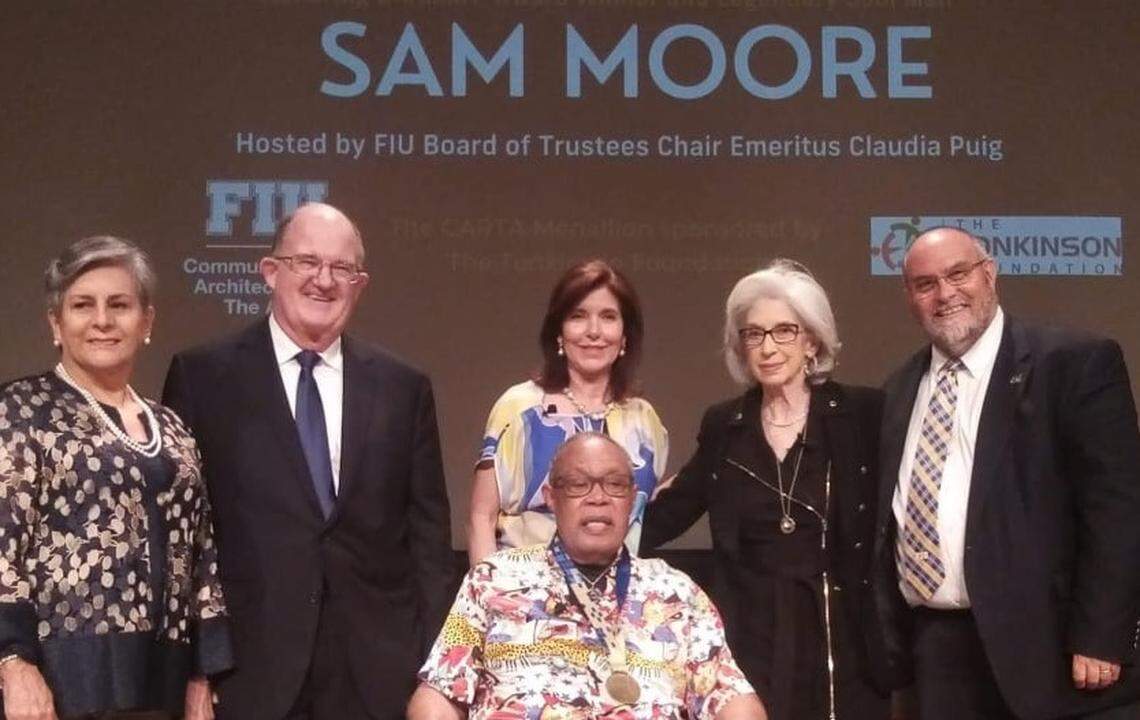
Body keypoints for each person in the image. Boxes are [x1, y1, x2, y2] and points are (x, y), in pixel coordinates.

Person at [162, 202, 454, 720]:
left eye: (341, 268)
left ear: (360, 284)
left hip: (376, 676)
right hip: (249, 673)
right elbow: (181, 539)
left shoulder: (403, 387)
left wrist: (436, 676)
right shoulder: (203, 377)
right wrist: (194, 669)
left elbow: (427, 541)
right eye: (307, 262)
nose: (324, 280)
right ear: (271, 272)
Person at [871, 226, 1140, 719]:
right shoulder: (896, 391)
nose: (945, 293)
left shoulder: (1073, 363)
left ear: (990, 273)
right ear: (909, 297)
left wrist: (1103, 633)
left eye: (958, 274)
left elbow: (1118, 509)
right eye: (925, 284)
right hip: (938, 651)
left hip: (1054, 649)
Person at [642, 259, 890, 720]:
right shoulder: (725, 425)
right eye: (754, 334)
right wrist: (582, 545)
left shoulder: (859, 414)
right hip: (750, 627)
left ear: (812, 340)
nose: (768, 347)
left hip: (840, 631)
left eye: (784, 331)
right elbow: (675, 509)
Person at [0, 236, 231, 719]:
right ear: (55, 323)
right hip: (60, 688)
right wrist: (13, 664)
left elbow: (201, 554)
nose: (102, 320)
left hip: (161, 686)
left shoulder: (171, 427)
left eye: (119, 305)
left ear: (146, 322)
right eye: (83, 305)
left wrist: (200, 673)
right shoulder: (20, 412)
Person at [410, 432, 767, 720]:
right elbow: (437, 696)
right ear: (552, 497)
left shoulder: (677, 592)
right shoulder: (493, 580)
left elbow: (732, 699)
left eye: (614, 485)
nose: (598, 498)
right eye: (579, 484)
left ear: (631, 499)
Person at [467, 259, 667, 564]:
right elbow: (482, 517)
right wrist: (488, 599)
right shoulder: (519, 408)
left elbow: (641, 512)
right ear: (558, 332)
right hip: (524, 597)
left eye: (609, 317)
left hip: (618, 600)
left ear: (625, 335)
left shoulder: (643, 420)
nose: (594, 331)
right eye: (578, 316)